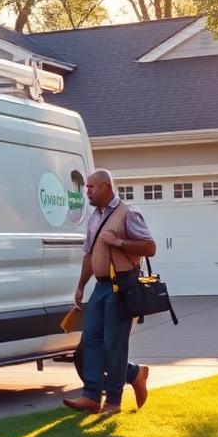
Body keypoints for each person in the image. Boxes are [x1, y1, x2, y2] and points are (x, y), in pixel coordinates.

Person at [63, 169, 156, 416]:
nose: (87, 192)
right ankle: (92, 395)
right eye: (87, 188)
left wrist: (119, 242)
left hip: (122, 286)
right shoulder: (94, 217)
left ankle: (113, 401)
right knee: (91, 341)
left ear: (106, 187)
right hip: (100, 287)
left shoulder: (128, 214)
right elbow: (89, 254)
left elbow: (150, 246)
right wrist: (81, 285)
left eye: (91, 187)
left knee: (114, 344)